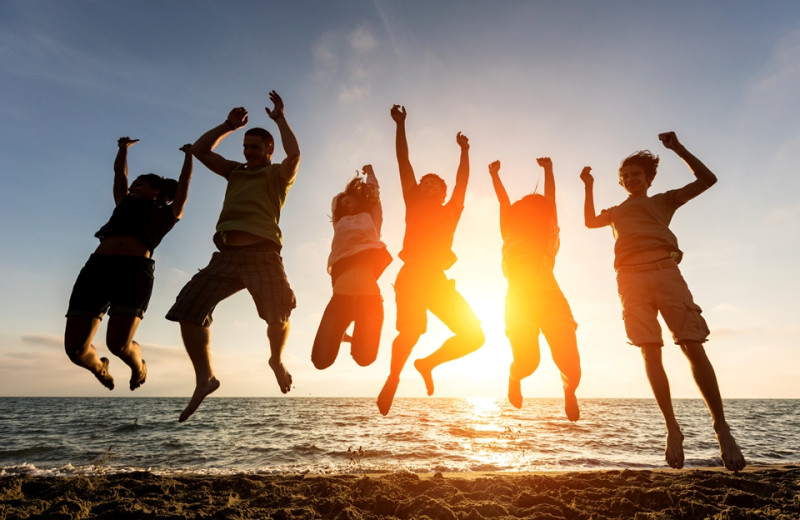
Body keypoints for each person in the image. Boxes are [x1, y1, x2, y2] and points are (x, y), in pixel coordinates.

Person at [580, 131, 746, 471]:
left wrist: (678, 148)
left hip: (665, 271)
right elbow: (588, 221)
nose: (630, 180)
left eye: (635, 175)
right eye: (624, 177)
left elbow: (707, 179)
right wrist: (587, 185)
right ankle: (672, 428)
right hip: (629, 279)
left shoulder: (664, 200)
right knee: (649, 350)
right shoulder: (614, 212)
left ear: (648, 178)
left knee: (692, 345)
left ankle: (721, 427)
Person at [166, 91, 300, 422]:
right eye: (245, 148)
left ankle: (276, 360)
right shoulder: (235, 171)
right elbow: (200, 151)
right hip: (225, 256)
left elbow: (295, 154)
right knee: (188, 309)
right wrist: (228, 125)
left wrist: (280, 119)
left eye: (255, 148)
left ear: (269, 150)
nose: (248, 152)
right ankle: (205, 378)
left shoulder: (277, 176)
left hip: (263, 253)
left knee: (278, 314)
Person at [377, 105, 485, 416]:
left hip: (437, 279)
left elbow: (462, 181)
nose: (428, 186)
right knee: (411, 331)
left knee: (475, 336)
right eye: (424, 183)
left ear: (443, 194)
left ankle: (428, 363)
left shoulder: (452, 210)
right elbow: (403, 161)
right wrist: (401, 124)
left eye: (436, 185)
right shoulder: (413, 201)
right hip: (411, 275)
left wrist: (464, 151)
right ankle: (394, 377)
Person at [65, 137, 193, 391]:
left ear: (156, 192)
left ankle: (138, 366)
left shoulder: (167, 213)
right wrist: (123, 150)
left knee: (118, 344)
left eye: (140, 184)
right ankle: (99, 366)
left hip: (134, 273)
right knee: (76, 349)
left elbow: (185, 184)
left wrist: (189, 156)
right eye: (134, 183)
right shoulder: (123, 203)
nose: (133, 186)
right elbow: (119, 175)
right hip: (97, 268)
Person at [488, 157, 581, 420]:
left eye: (534, 209)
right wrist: (495, 176)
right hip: (519, 301)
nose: (528, 211)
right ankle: (514, 376)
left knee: (572, 368)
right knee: (528, 362)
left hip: (552, 298)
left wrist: (549, 170)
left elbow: (550, 200)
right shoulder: (509, 231)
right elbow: (503, 202)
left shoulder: (549, 232)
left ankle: (568, 389)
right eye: (524, 208)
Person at [311, 165, 392, 369]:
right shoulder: (339, 224)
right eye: (342, 204)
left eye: (348, 200)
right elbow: (336, 207)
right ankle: (343, 333)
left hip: (370, 300)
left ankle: (351, 335)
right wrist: (338, 202)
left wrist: (371, 173)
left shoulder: (372, 219)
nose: (345, 205)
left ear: (358, 199)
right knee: (320, 361)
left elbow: (374, 195)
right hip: (341, 300)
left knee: (365, 359)